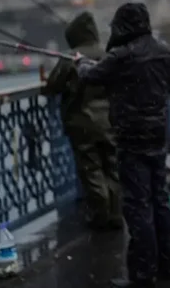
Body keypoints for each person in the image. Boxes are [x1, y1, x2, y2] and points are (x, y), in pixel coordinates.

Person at [75, 2, 170, 288]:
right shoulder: (164, 51)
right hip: (157, 136)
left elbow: (90, 77)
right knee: (160, 201)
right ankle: (167, 267)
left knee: (138, 206)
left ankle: (142, 274)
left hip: (130, 139)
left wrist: (81, 62)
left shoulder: (121, 55)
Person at [41, 12, 121, 231]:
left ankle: (100, 214)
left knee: (91, 168)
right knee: (112, 166)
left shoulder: (70, 58)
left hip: (81, 122)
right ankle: (116, 214)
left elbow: (52, 86)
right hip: (109, 121)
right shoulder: (108, 54)